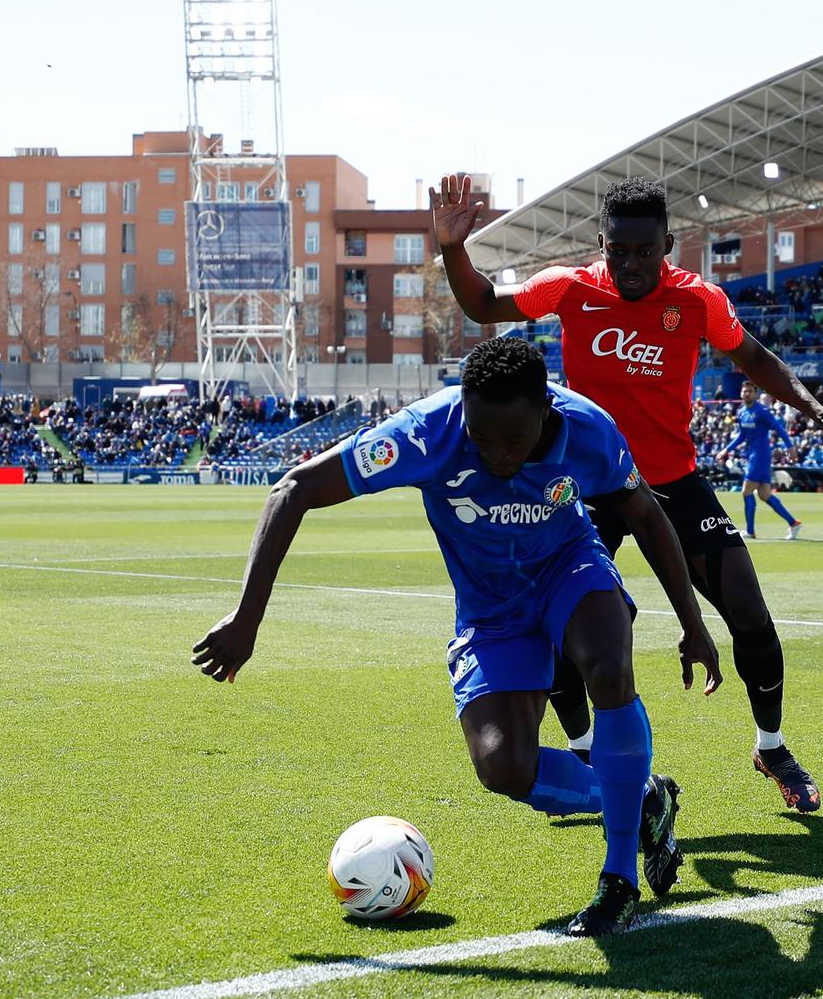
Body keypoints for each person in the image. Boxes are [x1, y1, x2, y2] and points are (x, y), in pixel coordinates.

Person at [191, 337, 726, 936]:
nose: (497, 454)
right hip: (491, 612)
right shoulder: (424, 433)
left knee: (607, 663)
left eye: (514, 441)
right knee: (503, 767)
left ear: (545, 412)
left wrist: (693, 622)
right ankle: (641, 795)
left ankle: (618, 878)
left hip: (569, 573)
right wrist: (247, 618)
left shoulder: (587, 429)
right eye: (482, 436)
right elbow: (295, 489)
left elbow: (646, 514)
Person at [431, 173, 823, 814]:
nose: (633, 265)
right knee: (559, 637)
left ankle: (771, 746)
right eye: (620, 251)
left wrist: (821, 413)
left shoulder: (698, 300)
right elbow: (484, 305)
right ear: (602, 244)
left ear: (667, 244)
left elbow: (753, 358)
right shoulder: (570, 288)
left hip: (672, 481)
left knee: (751, 616)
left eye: (647, 251)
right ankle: (587, 755)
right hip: (583, 489)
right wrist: (453, 248)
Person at [720, 381, 801, 540]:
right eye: (744, 391)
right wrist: (726, 449)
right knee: (764, 495)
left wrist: (790, 447)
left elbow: (779, 428)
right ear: (741, 394)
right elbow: (742, 436)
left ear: (755, 394)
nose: (747, 394)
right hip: (753, 456)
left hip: (760, 456)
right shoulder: (742, 412)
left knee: (746, 491)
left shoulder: (762, 411)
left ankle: (750, 531)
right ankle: (793, 523)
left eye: (750, 391)